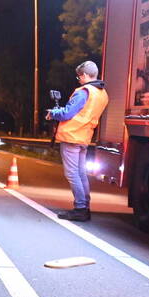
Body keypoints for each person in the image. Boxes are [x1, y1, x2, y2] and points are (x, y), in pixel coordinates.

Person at [45, 61, 109, 221]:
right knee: (81, 173)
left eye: (79, 76)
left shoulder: (84, 92)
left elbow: (67, 113)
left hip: (71, 137)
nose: (79, 79)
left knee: (73, 174)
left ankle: (80, 209)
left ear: (85, 75)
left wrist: (53, 113)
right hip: (84, 137)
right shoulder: (102, 94)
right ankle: (85, 207)